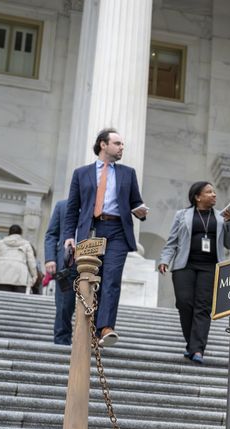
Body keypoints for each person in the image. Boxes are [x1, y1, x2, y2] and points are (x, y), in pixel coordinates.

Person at [62, 128, 148, 347]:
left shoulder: (128, 173)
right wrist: (69, 236)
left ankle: (106, 327)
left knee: (111, 278)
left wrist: (140, 211)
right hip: (92, 229)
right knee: (91, 279)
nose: (121, 148)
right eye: (117, 143)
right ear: (103, 145)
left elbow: (136, 202)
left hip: (118, 230)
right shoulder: (81, 173)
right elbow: (73, 209)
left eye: (122, 145)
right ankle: (90, 329)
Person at [158, 181, 230, 364]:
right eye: (209, 192)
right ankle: (192, 344)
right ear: (197, 196)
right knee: (184, 303)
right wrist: (164, 260)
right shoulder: (182, 215)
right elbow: (172, 241)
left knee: (203, 307)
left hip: (210, 267)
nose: (214, 194)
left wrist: (229, 223)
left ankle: (198, 349)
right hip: (185, 266)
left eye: (214, 191)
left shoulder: (220, 217)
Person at [44, 200, 76, 345]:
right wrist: (50, 258)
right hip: (65, 264)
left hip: (90, 264)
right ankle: (62, 342)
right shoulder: (62, 206)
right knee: (64, 306)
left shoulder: (97, 207)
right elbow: (51, 234)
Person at [0, 225, 36, 293]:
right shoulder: (26, 244)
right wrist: (34, 276)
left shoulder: (0, 243)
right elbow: (31, 262)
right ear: (21, 233)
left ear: (9, 233)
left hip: (2, 277)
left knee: (1, 301)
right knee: (18, 301)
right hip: (20, 278)